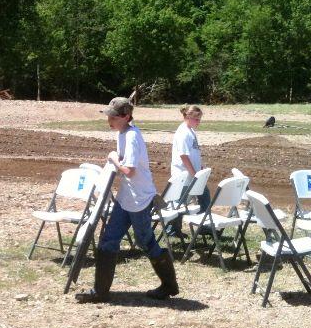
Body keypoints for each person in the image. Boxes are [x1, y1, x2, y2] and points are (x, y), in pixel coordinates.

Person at [75, 97, 179, 303]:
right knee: (108, 241)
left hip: (139, 199)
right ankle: (100, 292)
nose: (109, 119)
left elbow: (129, 171)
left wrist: (113, 159)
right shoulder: (122, 133)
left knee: (145, 242)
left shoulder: (131, 137)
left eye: (113, 116)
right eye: (109, 115)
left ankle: (169, 285)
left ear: (125, 116)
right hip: (126, 198)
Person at [167, 105, 211, 237]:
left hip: (194, 174)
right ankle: (172, 229)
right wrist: (194, 173)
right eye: (196, 119)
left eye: (199, 119)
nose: (199, 122)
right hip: (184, 175)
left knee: (204, 197)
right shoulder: (183, 133)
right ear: (188, 117)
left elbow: (194, 153)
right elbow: (183, 156)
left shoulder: (190, 131)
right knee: (180, 202)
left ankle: (203, 225)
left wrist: (200, 167)